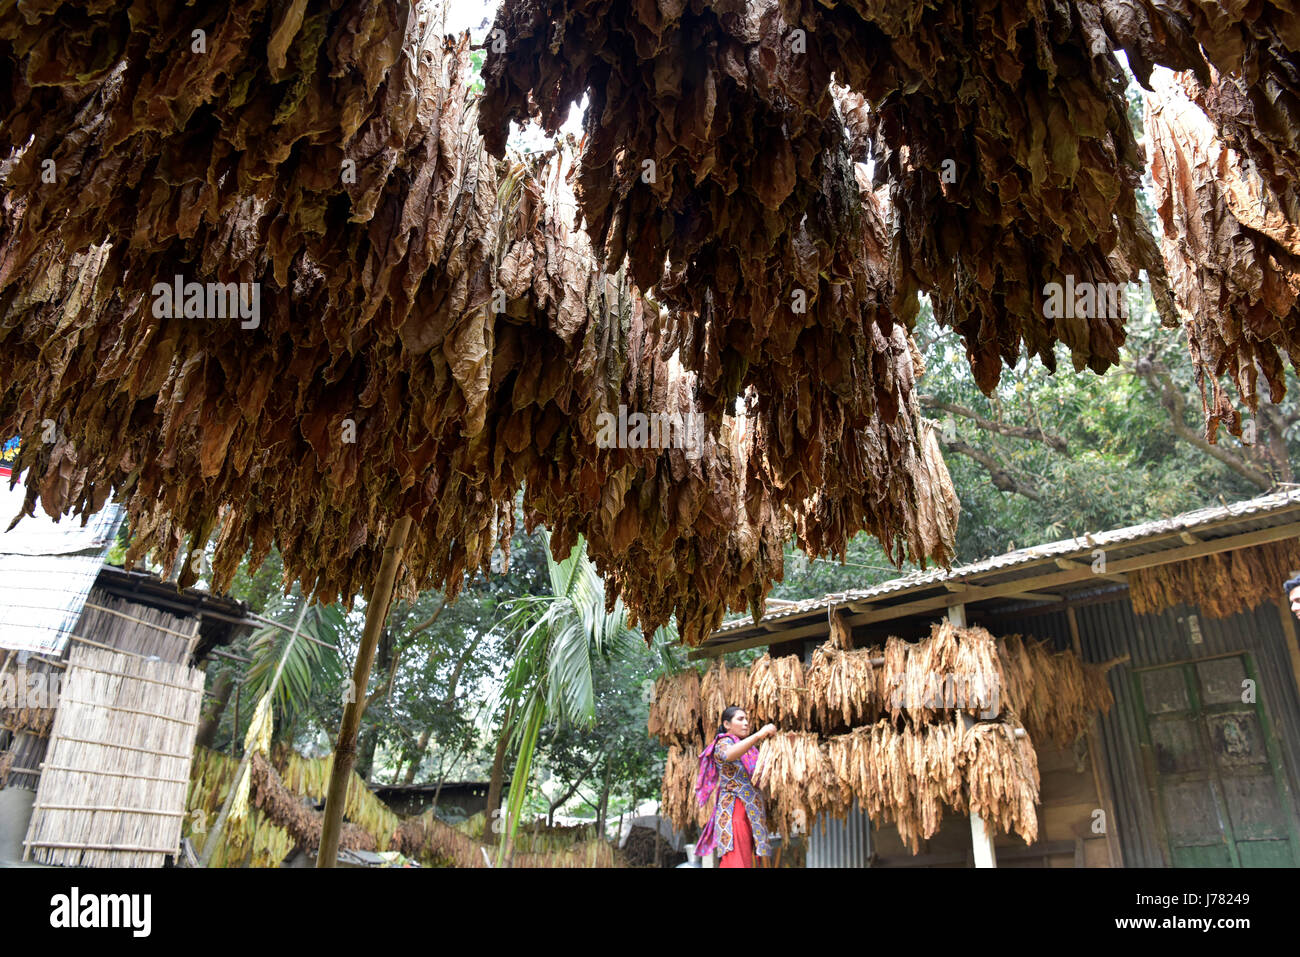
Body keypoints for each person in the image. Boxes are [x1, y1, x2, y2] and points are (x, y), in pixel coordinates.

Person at [693, 706, 776, 867]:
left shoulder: (749, 749)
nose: (746, 723)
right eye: (740, 719)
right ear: (727, 724)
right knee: (737, 861)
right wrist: (759, 734)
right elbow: (728, 754)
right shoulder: (723, 742)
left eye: (746, 719)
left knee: (746, 861)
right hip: (734, 811)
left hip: (750, 813)